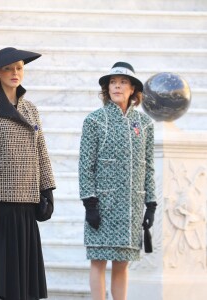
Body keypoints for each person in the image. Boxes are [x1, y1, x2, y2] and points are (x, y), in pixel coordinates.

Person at [0, 47, 56, 300]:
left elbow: (41, 151)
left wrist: (47, 193)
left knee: (23, 288)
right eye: (9, 68)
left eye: (19, 67)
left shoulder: (30, 108)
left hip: (25, 208)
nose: (15, 73)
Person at [79, 62, 157, 300]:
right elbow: (85, 165)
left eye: (123, 82)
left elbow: (149, 165)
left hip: (131, 207)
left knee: (122, 263)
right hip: (103, 205)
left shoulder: (144, 124)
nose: (117, 86)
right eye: (113, 82)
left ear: (132, 89)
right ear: (107, 88)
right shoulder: (95, 120)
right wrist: (90, 203)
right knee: (99, 260)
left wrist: (151, 203)